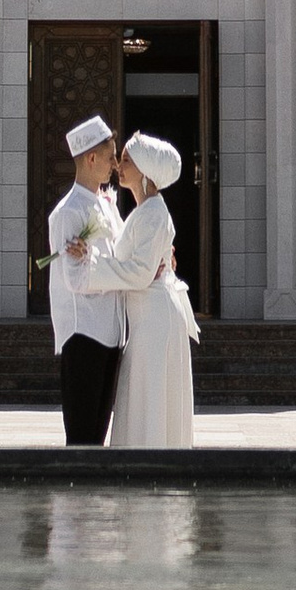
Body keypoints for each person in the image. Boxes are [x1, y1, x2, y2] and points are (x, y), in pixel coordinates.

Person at [77, 129, 198, 447]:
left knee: (150, 395)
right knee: (144, 394)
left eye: (128, 160)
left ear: (146, 172)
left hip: (155, 320)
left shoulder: (153, 214)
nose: (119, 164)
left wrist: (90, 270)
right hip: (147, 319)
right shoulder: (145, 213)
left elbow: (140, 273)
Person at [44, 113, 126, 446]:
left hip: (110, 331)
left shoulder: (106, 205)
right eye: (109, 158)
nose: (115, 166)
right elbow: (76, 279)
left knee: (98, 434)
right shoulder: (69, 212)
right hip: (84, 333)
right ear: (91, 158)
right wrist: (118, 275)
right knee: (82, 436)